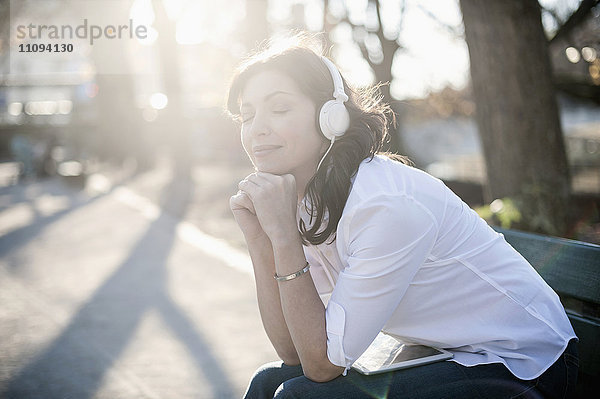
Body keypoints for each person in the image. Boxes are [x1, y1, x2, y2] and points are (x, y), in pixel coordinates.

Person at [226, 33, 578, 399]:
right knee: (268, 381)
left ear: (331, 116)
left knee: (298, 396)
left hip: (521, 364)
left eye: (279, 109)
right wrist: (259, 236)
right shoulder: (308, 199)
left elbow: (321, 364)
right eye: (246, 115)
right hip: (445, 355)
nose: (257, 128)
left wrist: (283, 235)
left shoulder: (384, 204)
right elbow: (293, 352)